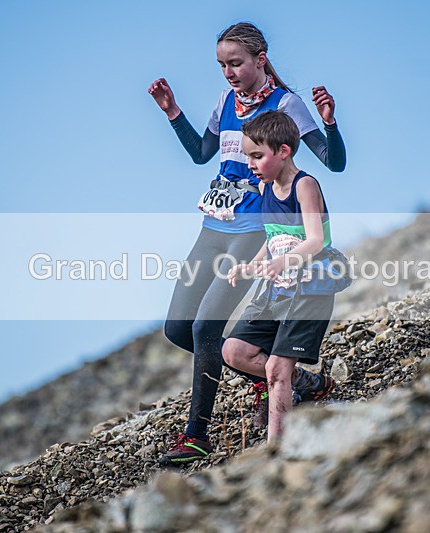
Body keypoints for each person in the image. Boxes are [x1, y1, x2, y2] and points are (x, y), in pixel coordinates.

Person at [148, 22, 346, 465]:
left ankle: (196, 435)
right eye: (221, 65)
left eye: (235, 63)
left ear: (260, 58)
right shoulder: (224, 102)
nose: (228, 73)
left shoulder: (287, 104)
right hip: (214, 226)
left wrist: (331, 125)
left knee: (206, 329)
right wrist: (173, 113)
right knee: (178, 328)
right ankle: (289, 382)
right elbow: (202, 153)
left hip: (254, 229)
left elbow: (333, 162)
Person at [223, 110, 348, 443]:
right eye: (248, 155)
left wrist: (285, 262)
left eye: (256, 156)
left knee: (276, 370)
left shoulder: (304, 185)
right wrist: (252, 266)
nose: (249, 163)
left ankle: (277, 447)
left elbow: (315, 240)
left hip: (310, 290)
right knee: (234, 351)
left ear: (283, 151)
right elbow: (273, 237)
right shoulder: (266, 187)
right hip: (276, 290)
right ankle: (307, 383)